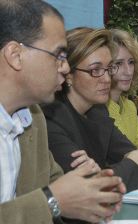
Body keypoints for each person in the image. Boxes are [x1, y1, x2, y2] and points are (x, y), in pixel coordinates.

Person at [0, 1, 126, 224]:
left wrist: (92, 189)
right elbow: (51, 197)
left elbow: (55, 181)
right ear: (15, 55)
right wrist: (52, 201)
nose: (66, 67)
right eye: (58, 55)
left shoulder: (33, 117)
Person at [42, 27, 138, 195]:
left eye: (109, 69)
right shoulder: (50, 118)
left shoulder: (98, 110)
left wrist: (119, 167)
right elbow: (90, 190)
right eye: (95, 70)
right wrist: (131, 162)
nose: (107, 79)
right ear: (68, 74)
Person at [106, 28, 138, 155]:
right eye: (118, 63)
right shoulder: (98, 109)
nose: (128, 71)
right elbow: (125, 154)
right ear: (105, 66)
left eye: (131, 62)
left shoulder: (129, 106)